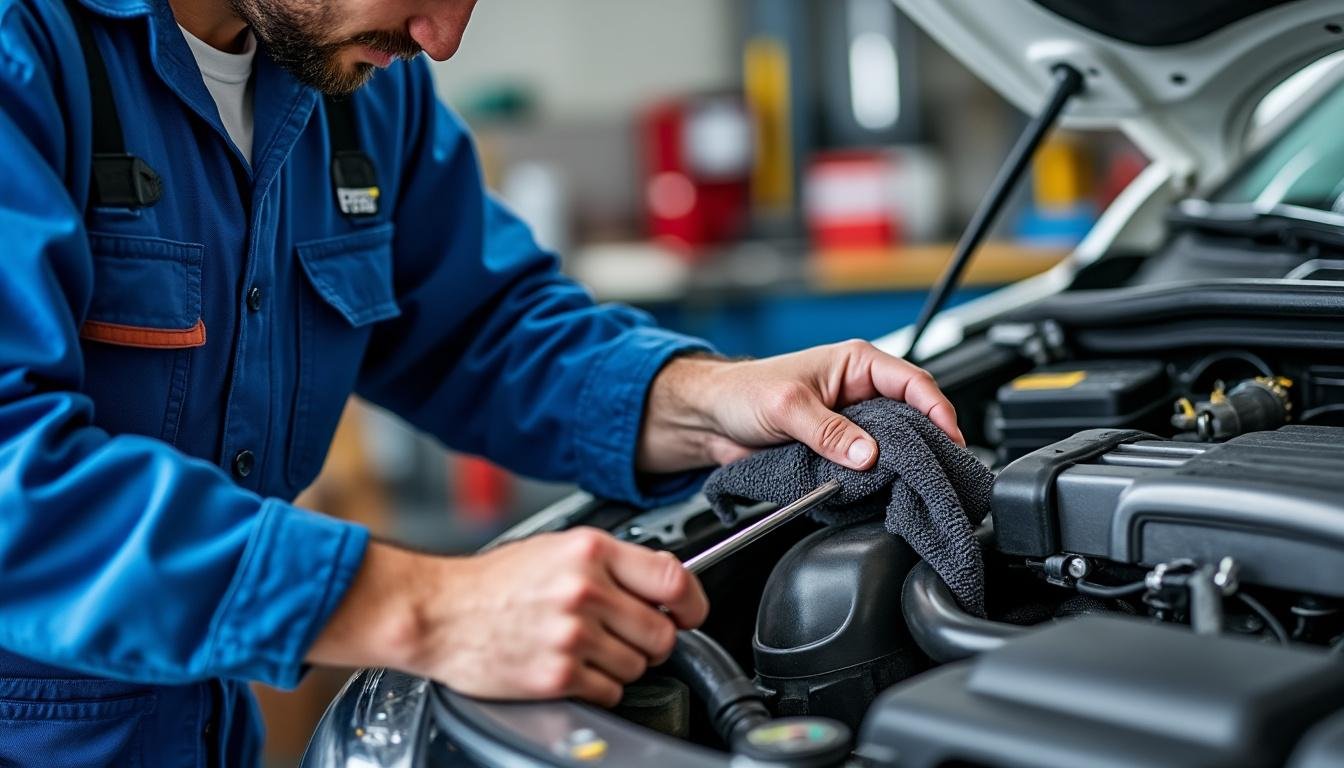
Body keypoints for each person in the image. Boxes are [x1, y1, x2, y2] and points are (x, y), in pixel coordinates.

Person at [0, 0, 964, 763]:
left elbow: (480, 327)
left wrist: (705, 399)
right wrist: (428, 607)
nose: (442, 36)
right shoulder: (24, 50)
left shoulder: (353, 84)